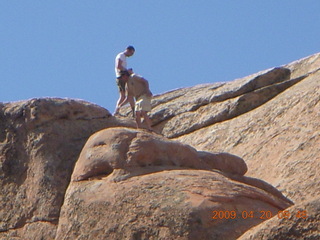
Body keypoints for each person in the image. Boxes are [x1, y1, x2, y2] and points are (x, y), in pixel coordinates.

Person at [114, 46, 135, 116]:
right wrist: (127, 71)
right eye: (131, 53)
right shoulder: (121, 55)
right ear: (128, 50)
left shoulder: (123, 57)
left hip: (123, 77)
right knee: (123, 96)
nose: (131, 55)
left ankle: (133, 111)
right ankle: (117, 110)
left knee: (129, 95)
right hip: (121, 77)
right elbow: (118, 66)